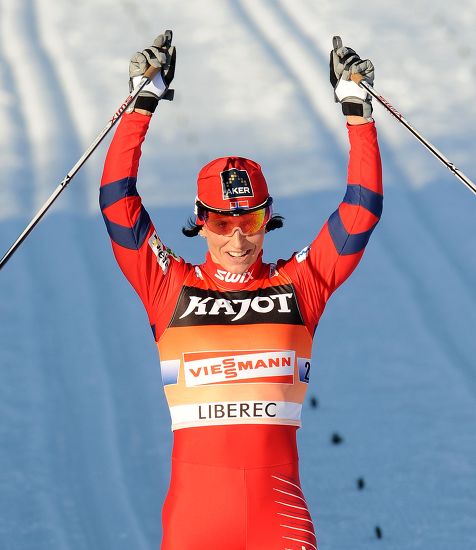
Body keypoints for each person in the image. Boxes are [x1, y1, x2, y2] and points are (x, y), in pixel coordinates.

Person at [100, 31, 382, 550]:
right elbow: (119, 203)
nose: (238, 236)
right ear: (200, 221)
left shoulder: (300, 285)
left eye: (250, 218)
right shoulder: (169, 287)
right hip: (195, 522)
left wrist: (357, 111)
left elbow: (360, 209)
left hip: (280, 516)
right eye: (223, 220)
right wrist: (142, 103)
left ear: (267, 218)